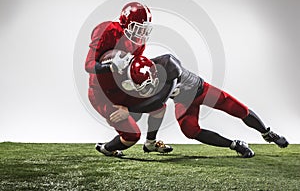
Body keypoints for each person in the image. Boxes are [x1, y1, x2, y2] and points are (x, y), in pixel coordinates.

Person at [105, 53, 289, 158]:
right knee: (190, 131)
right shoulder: (137, 77)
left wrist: (130, 108)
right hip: (183, 101)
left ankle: (267, 133)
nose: (147, 88)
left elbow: (160, 100)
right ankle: (235, 145)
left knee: (239, 110)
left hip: (201, 91)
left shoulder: (169, 64)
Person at [85, 2, 172, 157]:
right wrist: (110, 67)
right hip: (103, 93)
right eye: (138, 27)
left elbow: (132, 71)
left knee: (159, 107)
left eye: (144, 28)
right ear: (125, 22)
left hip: (122, 88)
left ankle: (151, 143)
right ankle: (107, 148)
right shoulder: (107, 30)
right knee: (132, 136)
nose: (141, 33)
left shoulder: (138, 42)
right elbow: (89, 65)